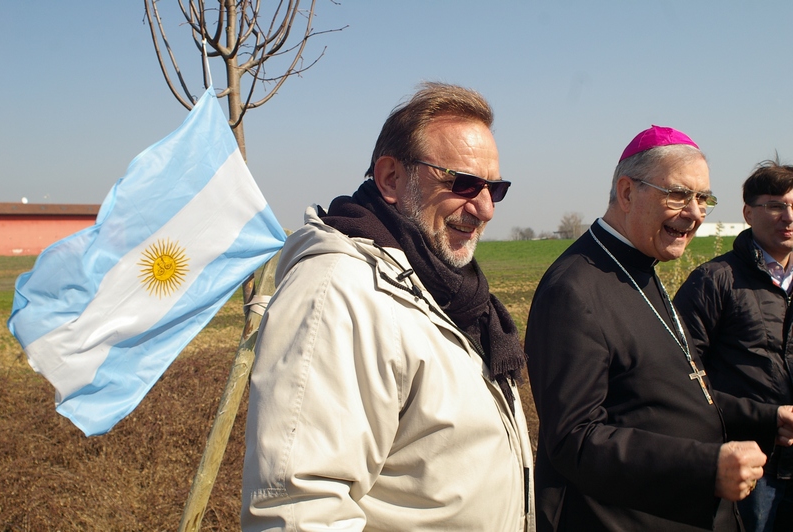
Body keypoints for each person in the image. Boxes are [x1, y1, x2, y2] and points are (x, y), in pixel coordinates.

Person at [241, 82, 535, 531]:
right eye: (463, 183)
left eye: (496, 188)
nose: (485, 208)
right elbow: (300, 507)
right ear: (390, 179)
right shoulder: (339, 293)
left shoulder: (456, 297)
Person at [524, 125, 793, 531]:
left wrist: (768, 419)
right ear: (628, 192)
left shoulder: (642, 268)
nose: (696, 213)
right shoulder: (574, 288)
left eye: (703, 198)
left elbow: (674, 391)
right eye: (679, 194)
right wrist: (704, 467)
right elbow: (573, 439)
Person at [675, 160, 793, 531]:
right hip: (751, 467)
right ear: (747, 213)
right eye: (775, 204)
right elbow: (679, 378)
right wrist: (764, 418)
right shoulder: (713, 281)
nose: (788, 216)